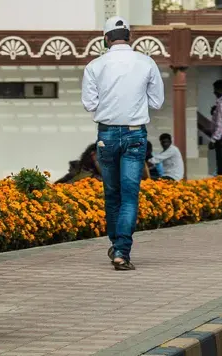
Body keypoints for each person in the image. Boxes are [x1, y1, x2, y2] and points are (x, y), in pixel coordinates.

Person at [81, 15, 164, 271]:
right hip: (135, 135)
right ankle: (121, 251)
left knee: (112, 195)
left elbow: (89, 104)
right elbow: (157, 102)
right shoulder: (146, 62)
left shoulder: (95, 66)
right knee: (130, 196)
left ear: (106, 39)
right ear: (130, 37)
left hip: (106, 135)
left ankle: (117, 245)